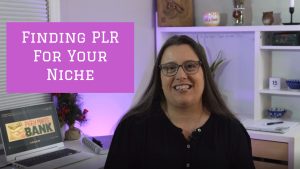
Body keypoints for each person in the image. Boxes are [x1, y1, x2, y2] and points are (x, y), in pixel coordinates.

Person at [104, 35, 255, 169]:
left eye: (190, 66)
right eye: (170, 68)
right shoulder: (131, 128)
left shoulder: (232, 131)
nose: (181, 75)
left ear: (205, 74)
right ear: (159, 77)